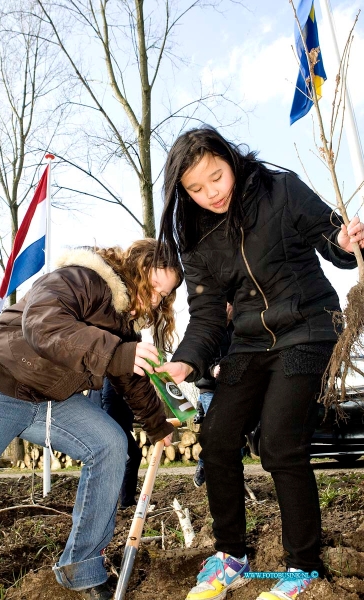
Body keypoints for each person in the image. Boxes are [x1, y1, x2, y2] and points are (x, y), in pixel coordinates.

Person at [153, 126, 364, 600]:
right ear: (182, 193)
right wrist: (185, 362)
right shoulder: (195, 234)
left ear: (230, 160)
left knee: (280, 441)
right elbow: (207, 314)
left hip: (308, 326)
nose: (211, 193)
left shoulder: (280, 190)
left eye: (217, 177)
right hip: (249, 340)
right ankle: (230, 557)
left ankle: (301, 568)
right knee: (218, 438)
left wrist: (347, 242)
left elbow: (333, 242)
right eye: (196, 188)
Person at [0, 238, 183, 600]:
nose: (157, 299)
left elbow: (131, 380)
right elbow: (43, 325)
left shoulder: (123, 322)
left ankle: (81, 569)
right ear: (135, 269)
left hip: (49, 400)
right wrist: (117, 352)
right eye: (154, 286)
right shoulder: (79, 278)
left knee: (110, 445)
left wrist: (158, 426)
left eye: (165, 294)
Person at [193, 303, 233, 488]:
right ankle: (203, 465)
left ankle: (230, 475)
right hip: (209, 387)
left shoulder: (239, 330)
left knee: (231, 432)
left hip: (231, 387)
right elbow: (198, 361)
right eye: (227, 304)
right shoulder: (207, 329)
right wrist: (212, 370)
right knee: (216, 431)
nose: (230, 307)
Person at [101, 377, 142, 509]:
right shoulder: (115, 371)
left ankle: (125, 500)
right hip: (112, 423)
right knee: (132, 456)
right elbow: (107, 397)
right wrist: (111, 427)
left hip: (116, 421)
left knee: (132, 456)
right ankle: (123, 501)